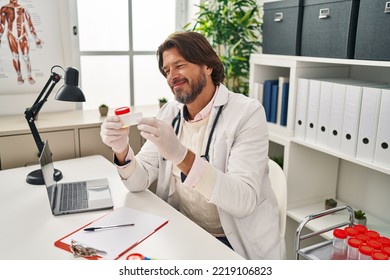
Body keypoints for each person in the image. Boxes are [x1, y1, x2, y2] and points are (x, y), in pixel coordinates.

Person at [100, 31, 285, 259]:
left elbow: (243, 201)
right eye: (167, 71)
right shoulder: (169, 113)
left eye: (180, 65)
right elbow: (139, 181)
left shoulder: (247, 113)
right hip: (186, 230)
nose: (172, 76)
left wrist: (181, 155)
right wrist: (121, 150)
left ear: (207, 66)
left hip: (234, 242)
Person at [0, 0, 42, 84]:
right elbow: (2, 24)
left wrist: (36, 38)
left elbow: (30, 24)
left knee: (26, 56)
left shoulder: (23, 8)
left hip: (23, 35)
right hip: (12, 35)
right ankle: (19, 76)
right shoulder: (4, 8)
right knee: (15, 56)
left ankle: (29, 75)